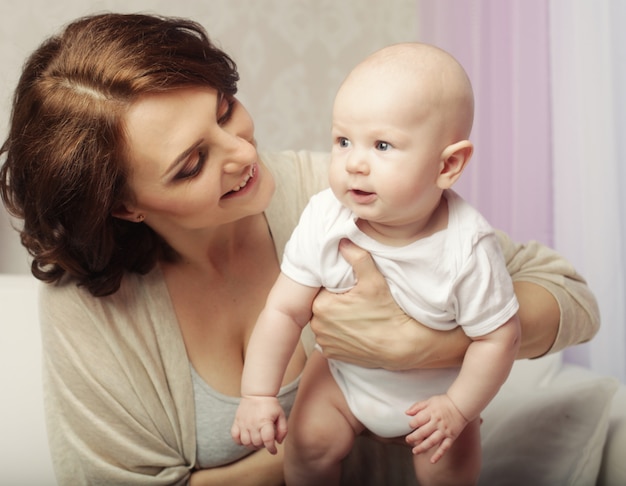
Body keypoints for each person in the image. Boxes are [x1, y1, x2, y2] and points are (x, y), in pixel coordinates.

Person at [0, 12, 599, 486]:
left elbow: (572, 297)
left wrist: (429, 345)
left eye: (225, 111)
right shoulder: (91, 301)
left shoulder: (343, 194)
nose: (241, 154)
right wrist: (304, 453)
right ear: (126, 206)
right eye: (192, 164)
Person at [232, 43, 520, 485]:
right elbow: (284, 311)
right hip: (344, 379)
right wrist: (257, 394)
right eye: (343, 140)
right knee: (308, 446)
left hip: (436, 393)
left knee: (446, 471)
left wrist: (459, 407)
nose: (355, 163)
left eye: (382, 145)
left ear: (448, 165)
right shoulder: (325, 216)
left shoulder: (466, 246)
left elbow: (499, 337)